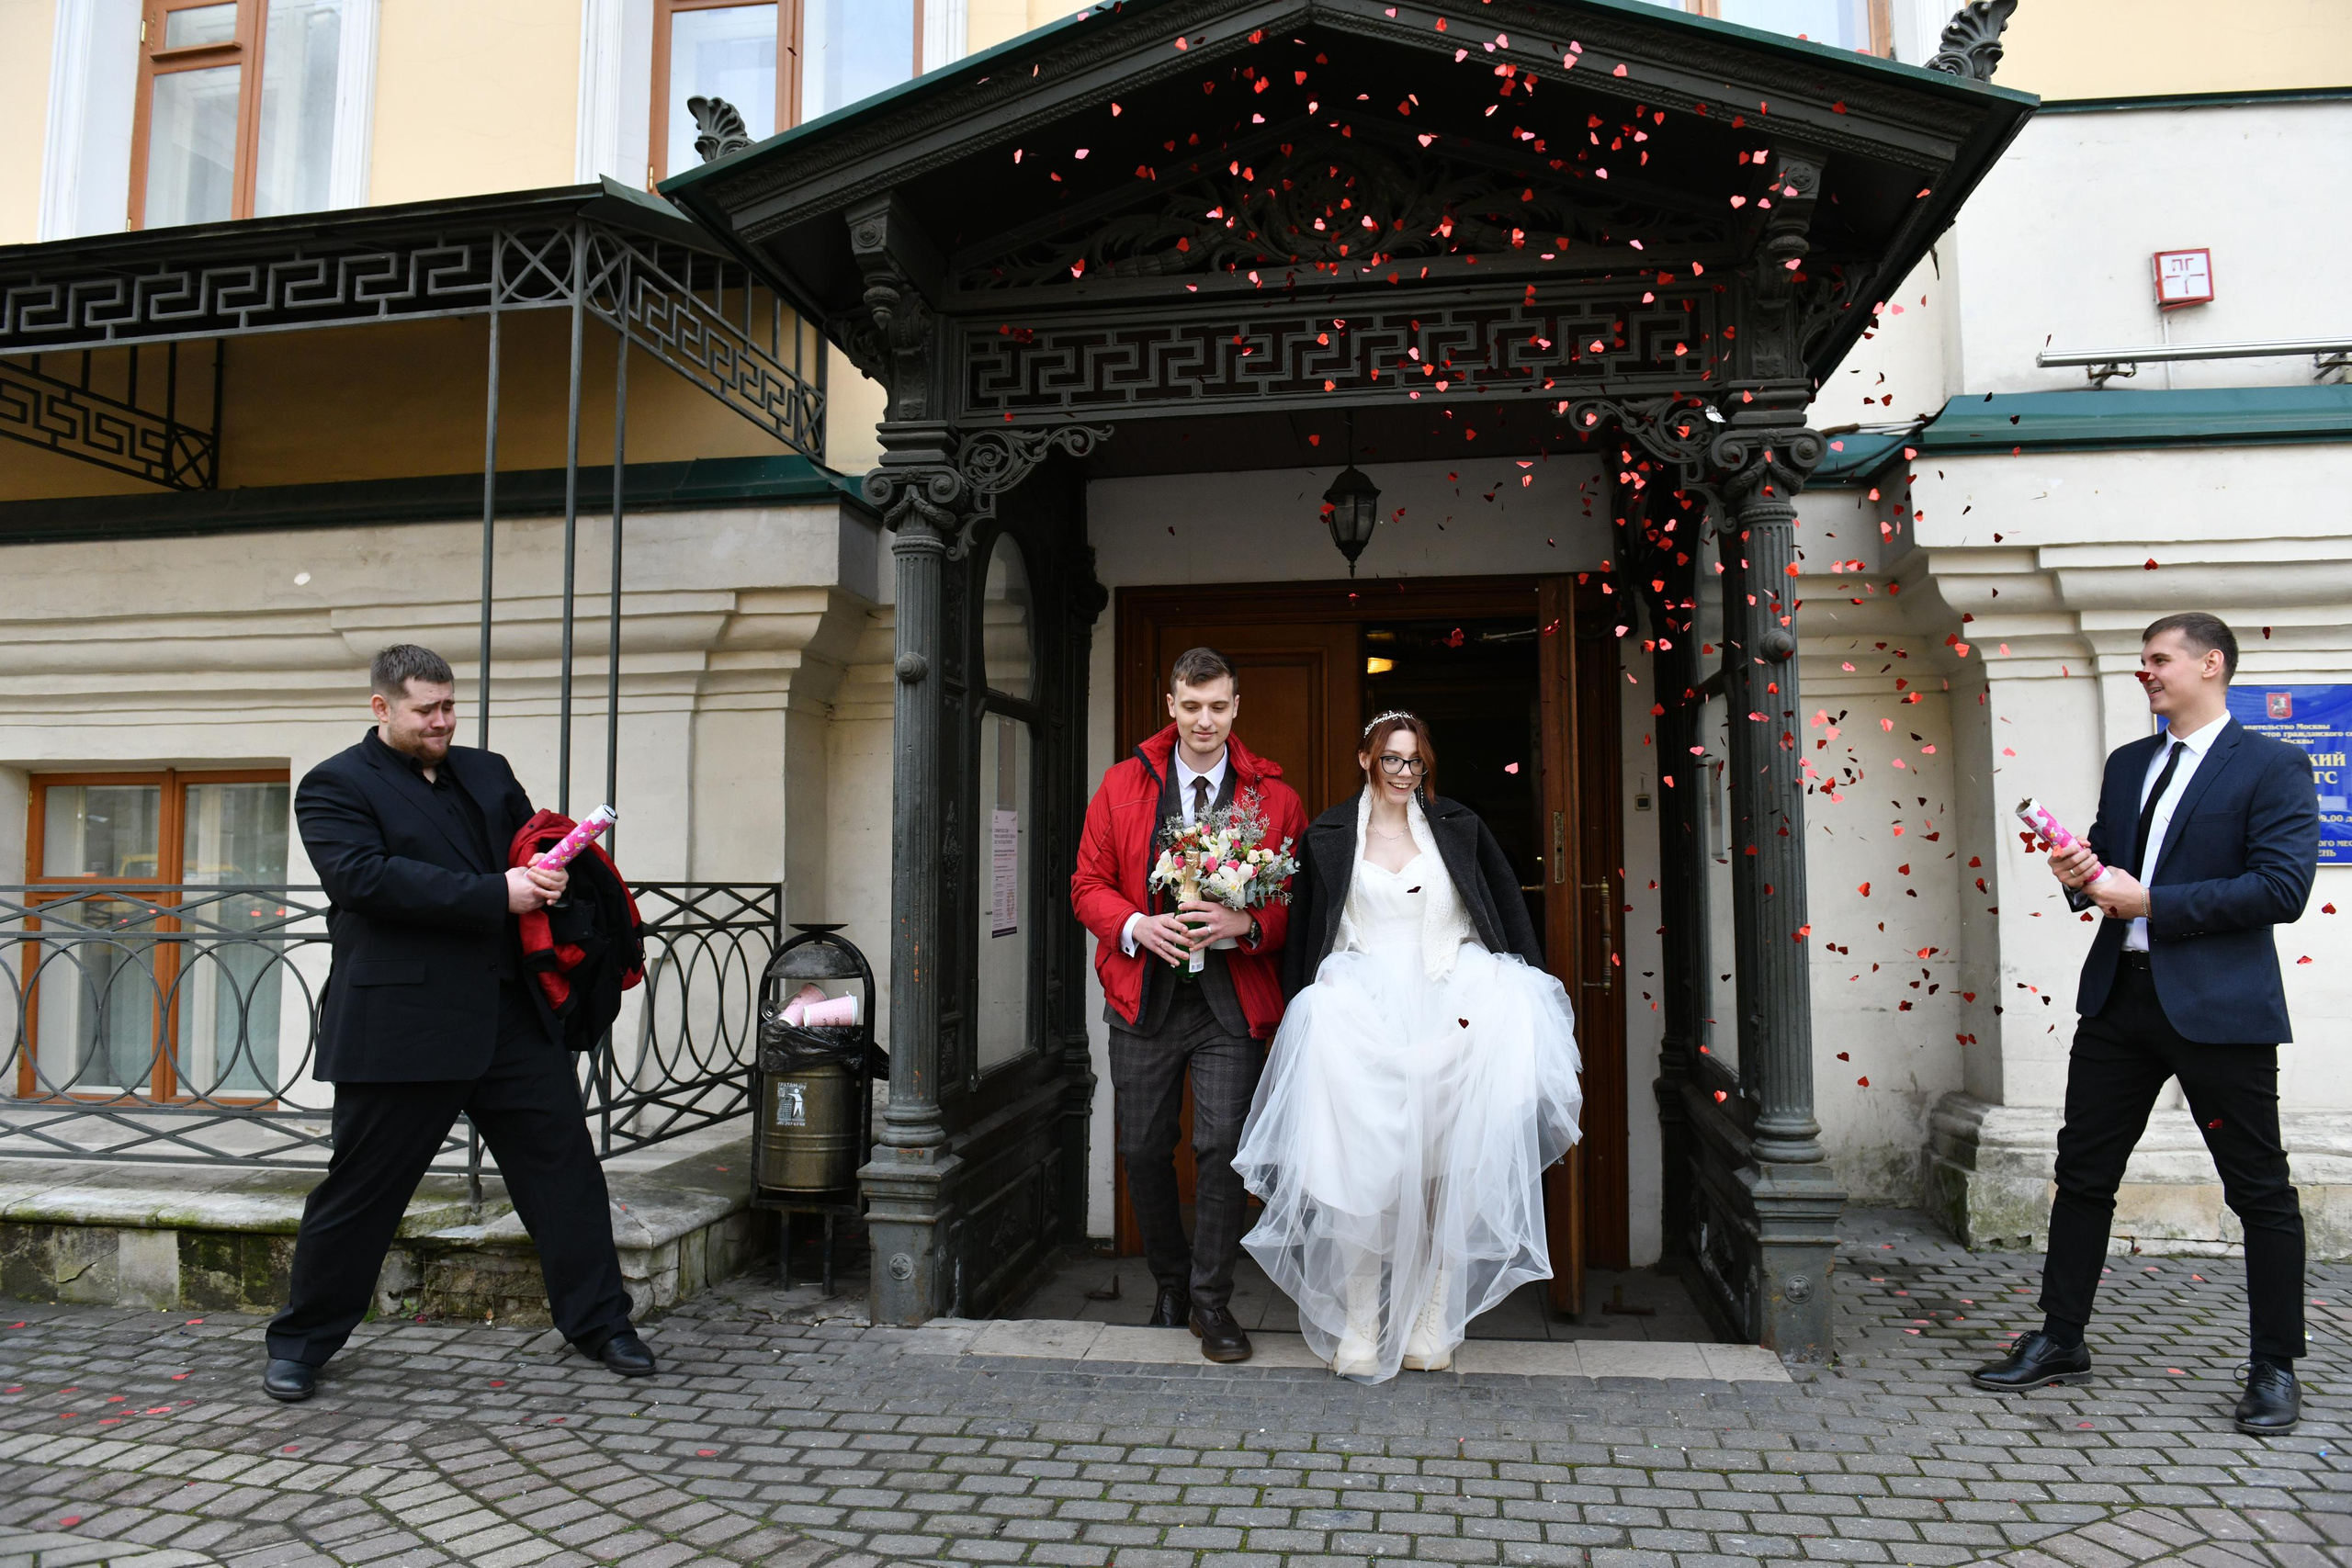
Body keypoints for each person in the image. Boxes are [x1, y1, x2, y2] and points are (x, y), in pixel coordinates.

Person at [262, 645, 656, 1401]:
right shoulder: (334, 784)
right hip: (402, 1024)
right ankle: (301, 1342)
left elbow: (520, 849)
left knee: (566, 1178)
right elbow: (363, 879)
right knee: (361, 1195)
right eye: (425, 710)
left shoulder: (488, 768)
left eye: (449, 706)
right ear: (382, 708)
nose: (442, 721)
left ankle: (603, 1324)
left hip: (510, 1015)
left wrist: (549, 868)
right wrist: (496, 893)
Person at [1970, 613, 2319, 1435]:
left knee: (2259, 1190)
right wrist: (2076, 872)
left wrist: (2153, 901)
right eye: (2142, 661)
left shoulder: (2273, 765)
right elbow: (2109, 866)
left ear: (2212, 662)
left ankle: (2274, 1365)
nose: (2146, 672)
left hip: (2221, 1012)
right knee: (2083, 1173)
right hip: (2120, 1000)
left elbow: (2281, 889)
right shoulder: (2130, 764)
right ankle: (2061, 1338)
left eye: (2159, 660)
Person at [1237, 712, 1582, 1382]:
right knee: (1359, 1169)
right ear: (1366, 756)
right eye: (1392, 759)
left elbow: (1502, 907)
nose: (1403, 773)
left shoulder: (1458, 826)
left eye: (1415, 762)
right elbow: (1309, 929)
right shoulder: (1330, 835)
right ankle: (1361, 1320)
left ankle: (1432, 1318)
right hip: (1361, 1005)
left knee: (1446, 1163)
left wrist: (1529, 988)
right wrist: (1300, 1010)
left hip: (1451, 995)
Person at [1070, 647, 1310, 1364]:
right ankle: (1170, 1283)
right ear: (1169, 706)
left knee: (1223, 1152)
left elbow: (1300, 903)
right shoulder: (1120, 786)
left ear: (1236, 709)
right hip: (1143, 997)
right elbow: (1087, 884)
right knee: (1143, 1148)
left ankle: (1211, 1302)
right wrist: (1137, 925)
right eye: (1191, 705)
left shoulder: (1275, 798)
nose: (1204, 720)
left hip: (1230, 1006)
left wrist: (1248, 923)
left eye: (1217, 706)